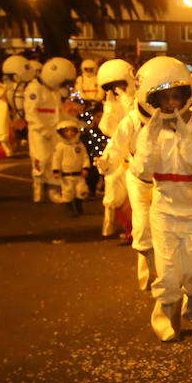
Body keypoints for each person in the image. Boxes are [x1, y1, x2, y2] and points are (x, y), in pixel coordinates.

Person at [129, 57, 192, 342]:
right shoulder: (150, 130)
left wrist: (185, 137)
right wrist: (150, 142)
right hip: (164, 210)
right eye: (164, 98)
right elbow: (142, 171)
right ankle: (169, 320)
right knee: (168, 273)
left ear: (185, 97)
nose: (170, 104)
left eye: (175, 97)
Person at [103, 72, 158, 289]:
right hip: (138, 176)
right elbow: (117, 144)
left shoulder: (173, 117)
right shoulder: (132, 119)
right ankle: (148, 274)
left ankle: (170, 271)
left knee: (169, 227)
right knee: (143, 226)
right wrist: (107, 160)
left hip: (167, 179)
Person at [95, 59, 137, 240]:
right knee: (114, 194)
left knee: (136, 197)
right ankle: (115, 226)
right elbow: (107, 128)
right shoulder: (113, 102)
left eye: (120, 84)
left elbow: (136, 123)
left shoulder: (137, 101)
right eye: (113, 86)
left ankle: (135, 231)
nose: (118, 89)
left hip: (135, 151)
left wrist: (128, 101)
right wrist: (110, 107)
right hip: (119, 149)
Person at [25, 57, 75, 203]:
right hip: (38, 132)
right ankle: (38, 186)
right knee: (41, 159)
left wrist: (73, 122)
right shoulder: (34, 89)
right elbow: (31, 113)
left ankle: (53, 189)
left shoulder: (55, 91)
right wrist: (42, 130)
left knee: (55, 161)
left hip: (54, 131)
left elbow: (59, 111)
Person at [50, 117, 91, 216]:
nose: (70, 133)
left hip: (79, 174)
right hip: (66, 175)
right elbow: (56, 159)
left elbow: (85, 157)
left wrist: (85, 167)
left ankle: (78, 206)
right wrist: (56, 170)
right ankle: (69, 209)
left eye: (72, 131)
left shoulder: (79, 145)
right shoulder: (60, 146)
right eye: (66, 131)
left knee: (81, 191)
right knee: (68, 192)